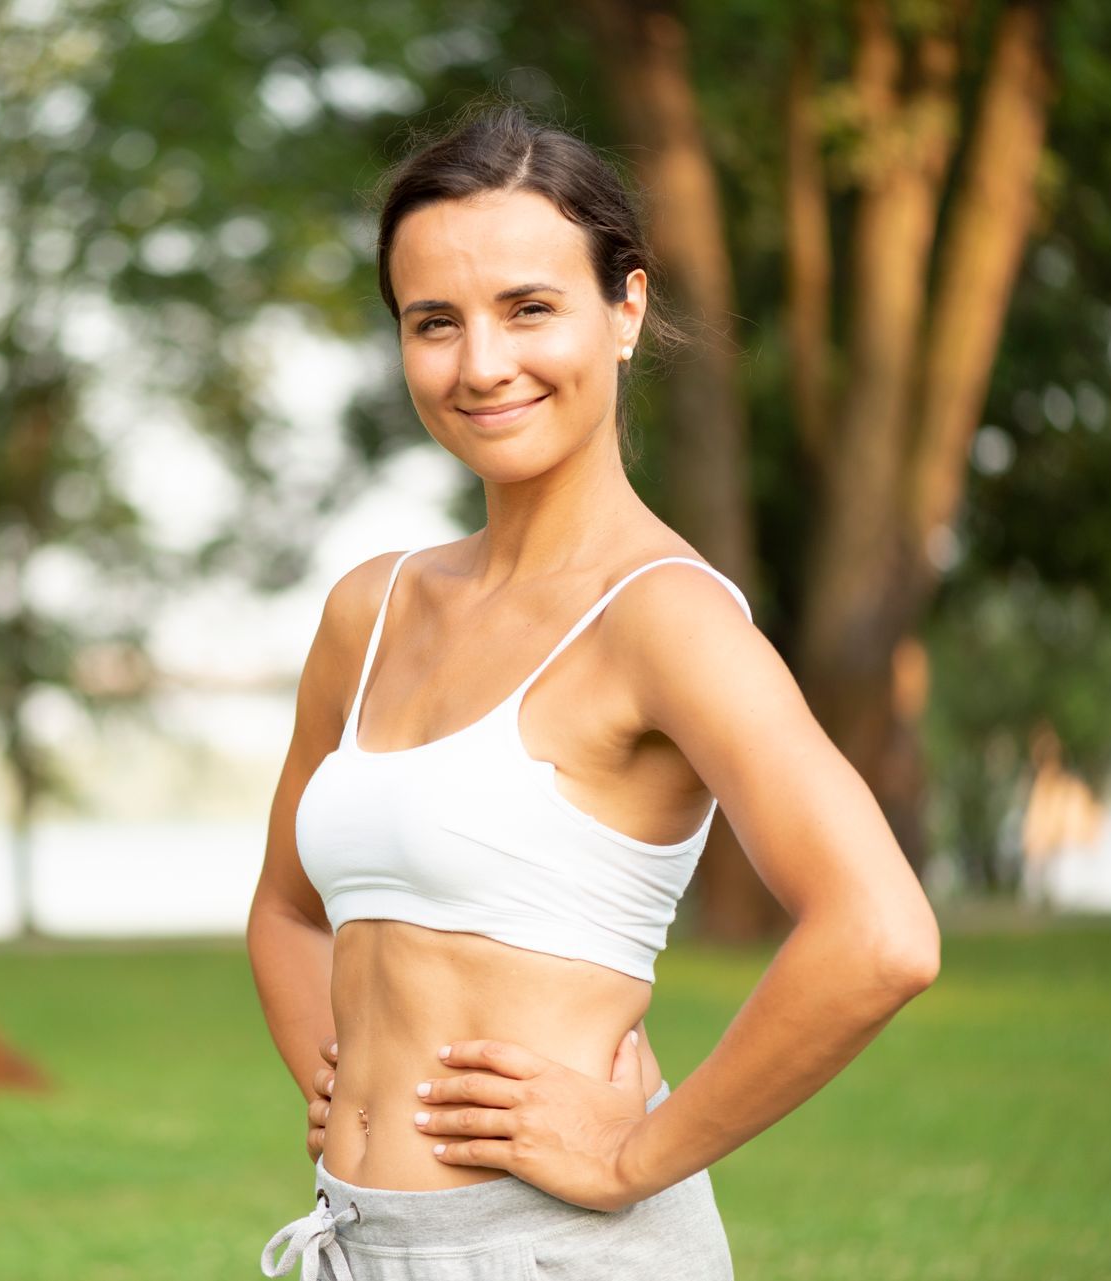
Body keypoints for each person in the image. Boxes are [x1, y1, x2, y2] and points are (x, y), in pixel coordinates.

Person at [244, 100, 940, 1281]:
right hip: (360, 1245)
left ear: (625, 310)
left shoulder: (666, 618)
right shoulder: (371, 609)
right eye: (433, 322)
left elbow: (880, 936)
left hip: (556, 1252)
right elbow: (289, 909)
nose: (481, 365)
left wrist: (635, 1157)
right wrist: (341, 1075)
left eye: (529, 309)